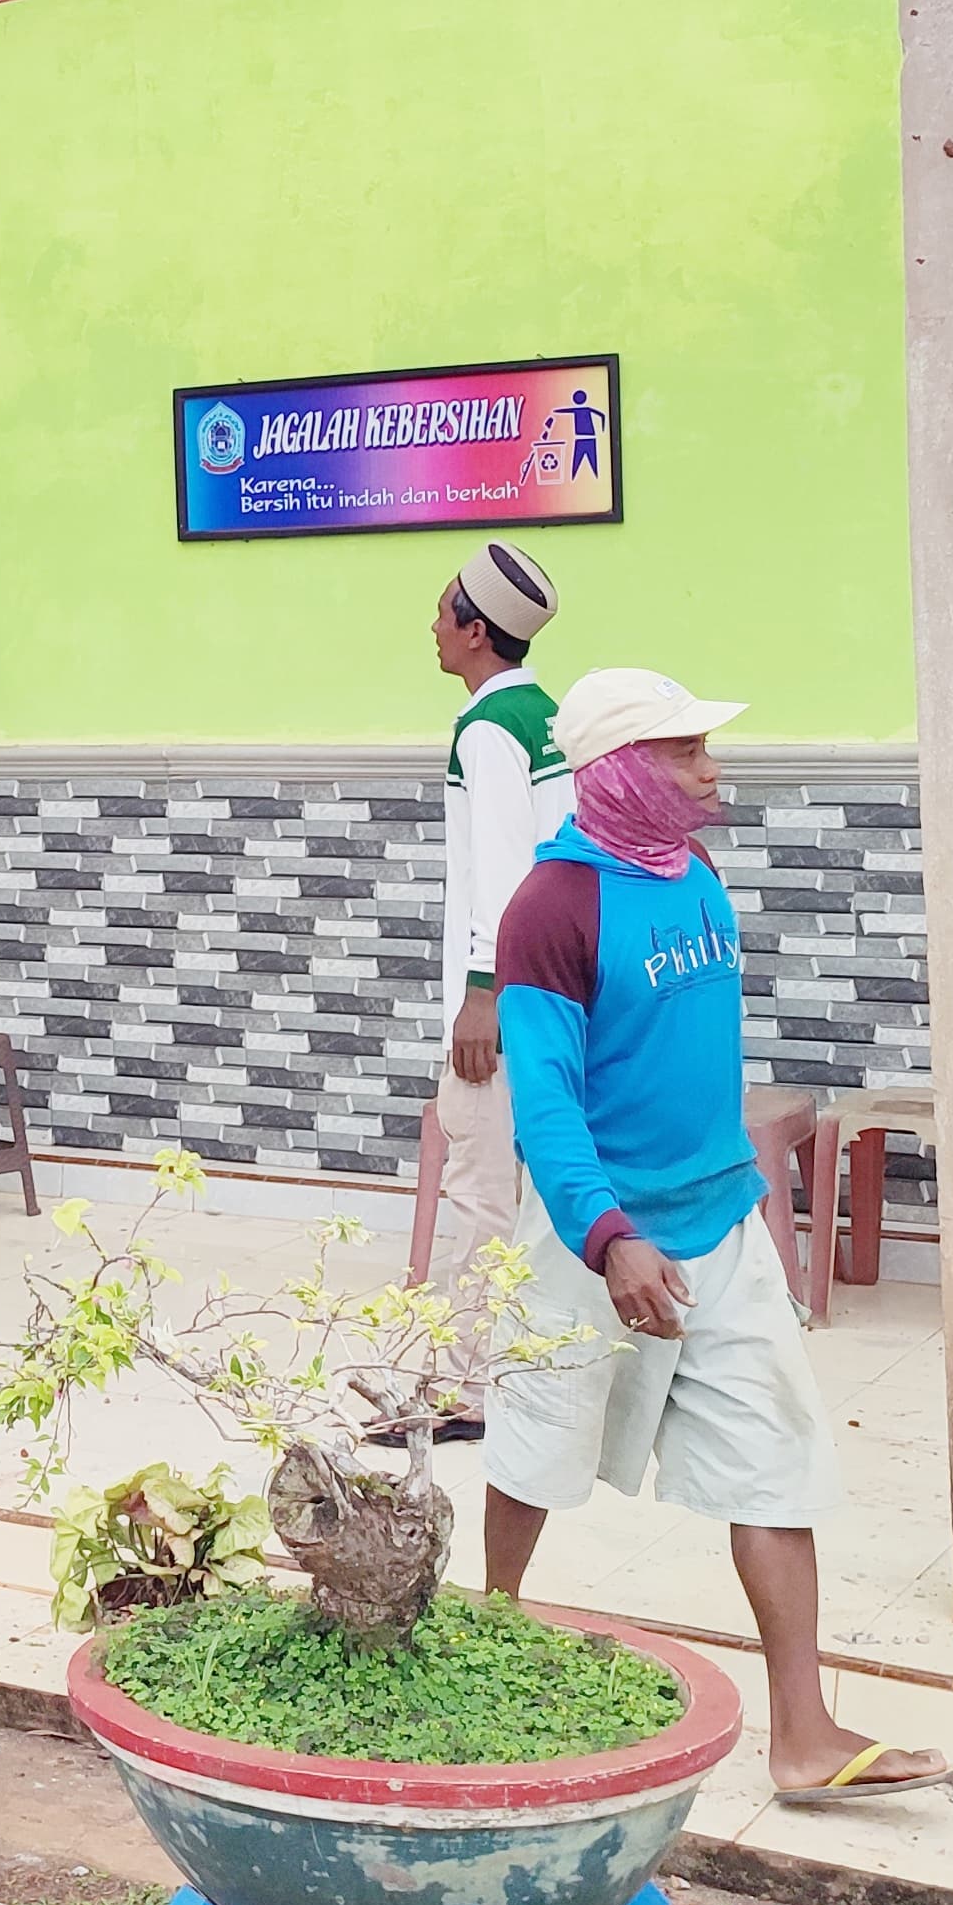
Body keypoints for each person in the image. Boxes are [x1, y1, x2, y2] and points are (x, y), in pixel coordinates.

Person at [480, 668, 951, 1805]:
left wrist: (745, 1210)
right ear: (622, 771)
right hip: (595, 1239)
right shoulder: (550, 909)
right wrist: (608, 1237)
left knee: (776, 1468)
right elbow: (543, 1103)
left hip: (719, 1227)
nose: (710, 770)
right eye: (686, 751)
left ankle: (803, 1737)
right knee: (534, 1454)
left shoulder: (692, 874)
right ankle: (483, 1647)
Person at [427, 541, 571, 1368]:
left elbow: (505, 871)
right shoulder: (547, 713)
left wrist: (482, 994)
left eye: (443, 612)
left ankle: (466, 1384)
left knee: (480, 1191)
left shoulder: (487, 729)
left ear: (477, 632)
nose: (433, 627)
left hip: (506, 999)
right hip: (557, 991)